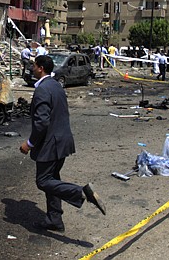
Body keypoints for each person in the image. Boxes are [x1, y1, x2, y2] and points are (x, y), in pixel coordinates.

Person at [19, 55, 106, 232]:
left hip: (50, 144)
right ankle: (54, 218)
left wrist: (29, 144)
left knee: (43, 181)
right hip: (62, 142)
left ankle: (81, 192)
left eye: (34, 66)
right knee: (53, 179)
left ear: (41, 68)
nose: (32, 69)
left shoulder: (43, 89)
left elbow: (41, 123)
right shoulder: (56, 85)